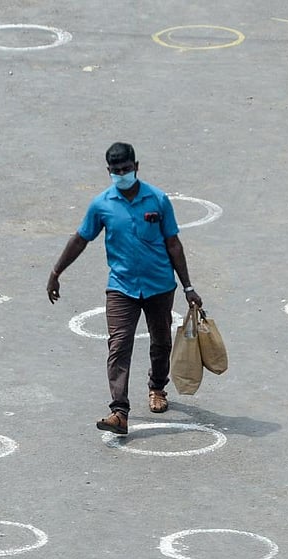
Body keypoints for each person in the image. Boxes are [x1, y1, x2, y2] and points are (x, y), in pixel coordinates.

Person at [47, 142, 202, 435]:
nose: (122, 174)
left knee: (161, 342)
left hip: (159, 285)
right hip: (121, 287)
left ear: (136, 167)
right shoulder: (102, 205)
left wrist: (188, 287)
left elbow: (173, 244)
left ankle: (157, 387)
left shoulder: (157, 200)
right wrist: (56, 272)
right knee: (118, 345)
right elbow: (81, 239)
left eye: (126, 169)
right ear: (108, 171)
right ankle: (119, 411)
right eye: (116, 171)